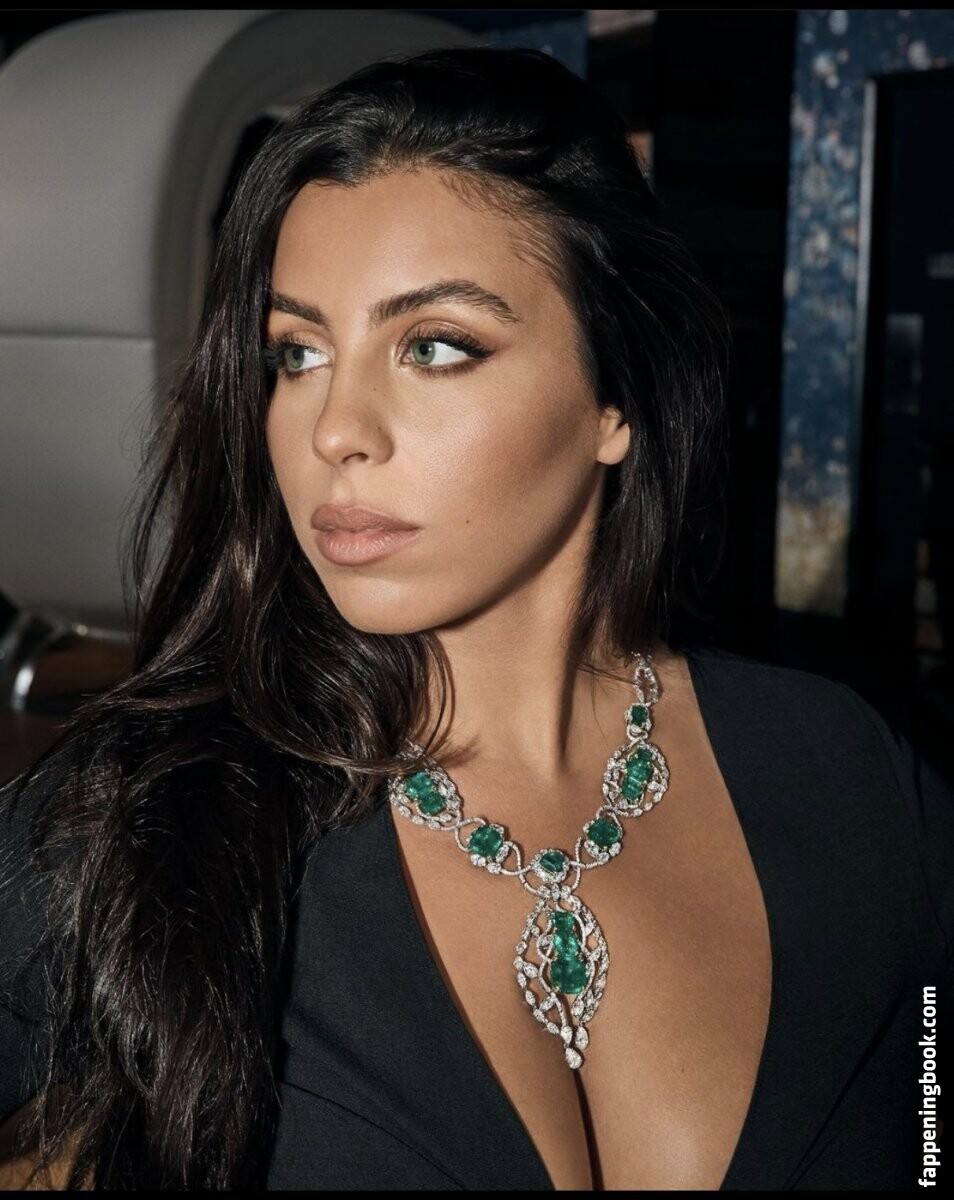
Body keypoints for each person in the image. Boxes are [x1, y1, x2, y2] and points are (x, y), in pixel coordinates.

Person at [0, 45, 951, 1192]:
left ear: (616, 398)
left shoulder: (856, 779)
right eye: (297, 353)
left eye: (435, 346)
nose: (336, 428)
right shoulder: (143, 811)